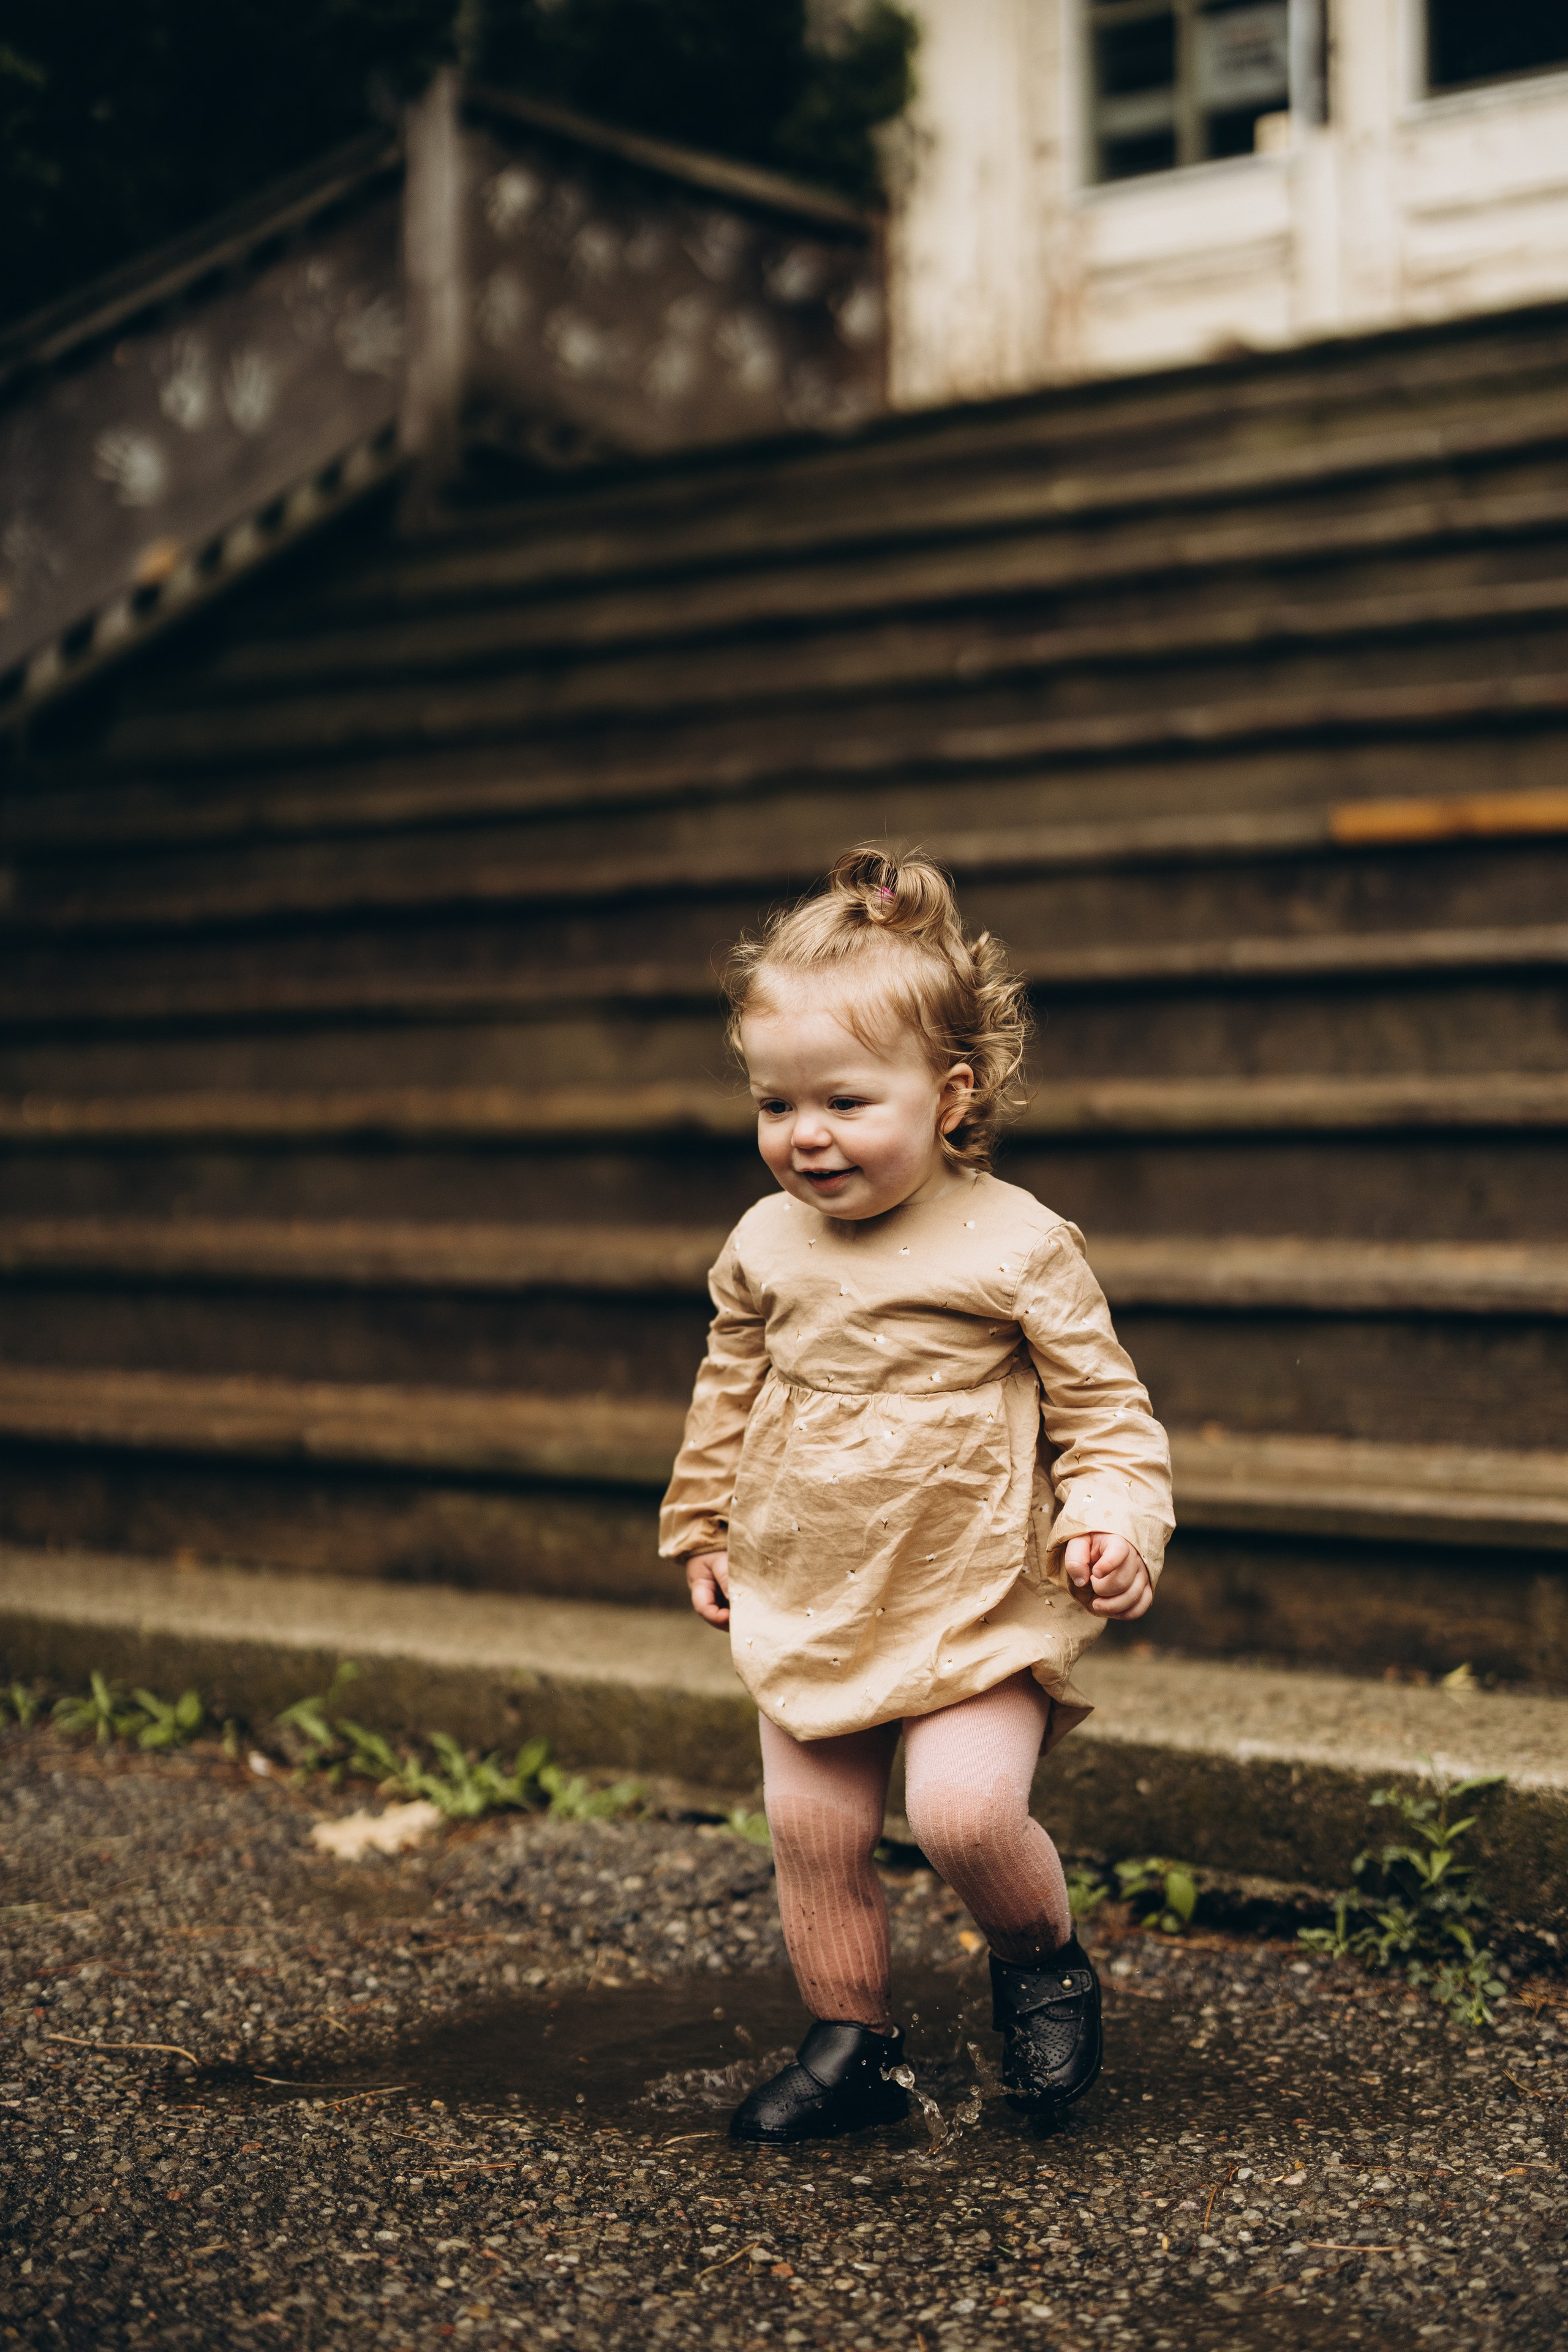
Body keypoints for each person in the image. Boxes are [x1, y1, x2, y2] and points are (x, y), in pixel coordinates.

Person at [658, 846, 1174, 2143]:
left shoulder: (1015, 1243)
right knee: (812, 1833)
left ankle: (1038, 1958)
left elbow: (1105, 1414)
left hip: (971, 1593)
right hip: (813, 1579)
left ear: (950, 1096)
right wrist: (702, 1521)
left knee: (960, 1813)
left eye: (841, 1100)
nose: (804, 1136)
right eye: (774, 1105)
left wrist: (1110, 1516)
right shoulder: (762, 1243)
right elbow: (727, 1386)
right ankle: (855, 2047)